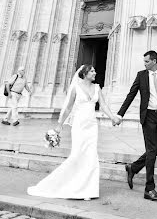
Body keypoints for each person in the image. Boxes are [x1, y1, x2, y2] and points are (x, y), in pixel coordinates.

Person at [27, 64, 117, 200]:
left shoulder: (97, 88)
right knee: (76, 156)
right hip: (79, 125)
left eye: (94, 70)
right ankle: (65, 186)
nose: (95, 72)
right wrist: (59, 126)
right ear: (85, 74)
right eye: (92, 71)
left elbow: (103, 105)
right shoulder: (75, 87)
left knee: (91, 156)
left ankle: (88, 191)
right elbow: (68, 108)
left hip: (92, 126)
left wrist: (113, 117)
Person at [114, 50, 157, 202]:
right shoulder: (141, 75)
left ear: (154, 61)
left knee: (156, 149)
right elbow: (131, 94)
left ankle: (133, 168)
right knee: (151, 150)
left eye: (147, 62)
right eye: (144, 62)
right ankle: (149, 189)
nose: (145, 64)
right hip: (147, 115)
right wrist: (119, 114)